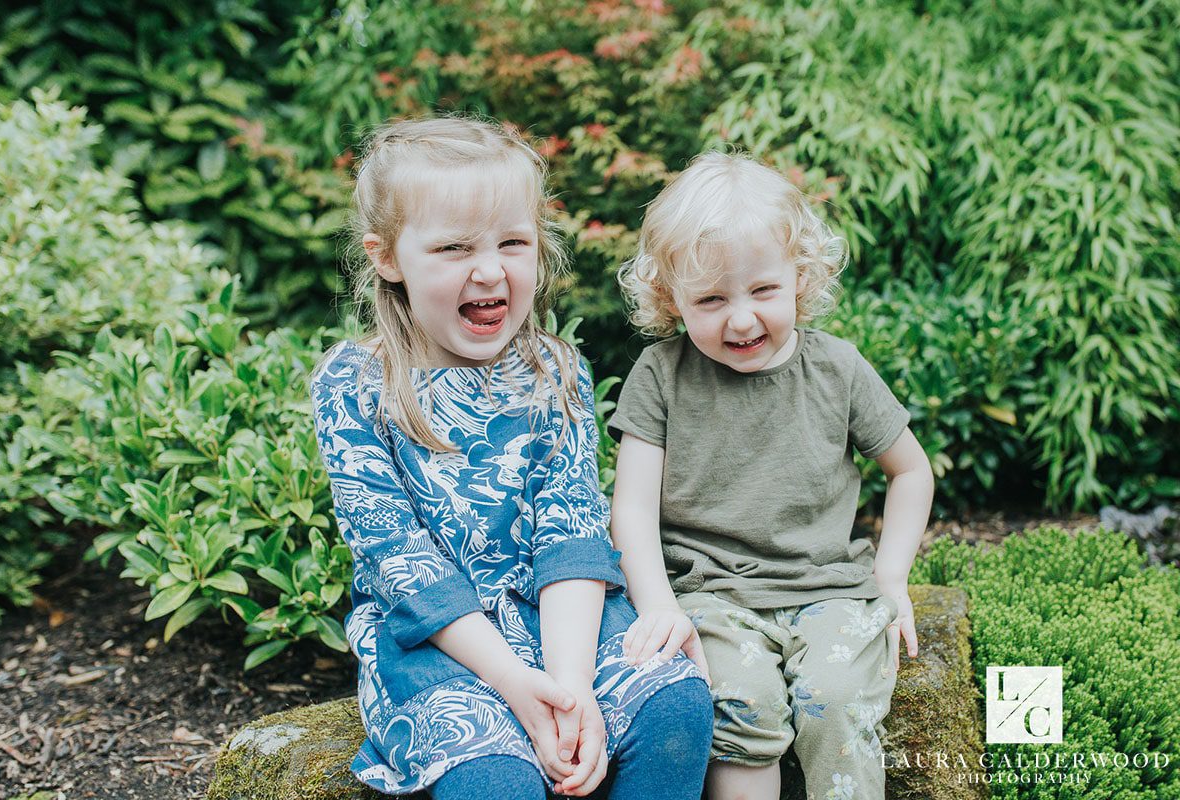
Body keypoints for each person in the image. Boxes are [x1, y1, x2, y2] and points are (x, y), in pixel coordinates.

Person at [308, 116, 712, 800]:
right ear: (386, 257)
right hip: (439, 644)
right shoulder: (353, 386)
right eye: (455, 247)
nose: (490, 270)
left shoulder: (555, 370)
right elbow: (402, 562)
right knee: (494, 778)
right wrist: (516, 687)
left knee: (675, 706)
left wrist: (571, 688)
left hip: (565, 625)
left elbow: (571, 531)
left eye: (513, 243)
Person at [608, 151, 934, 800]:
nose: (741, 318)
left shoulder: (837, 369)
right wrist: (660, 607)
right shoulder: (661, 375)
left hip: (830, 590)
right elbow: (633, 511)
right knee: (742, 703)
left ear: (800, 277)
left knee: (837, 699)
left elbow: (912, 471)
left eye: (763, 291)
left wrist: (891, 578)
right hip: (712, 598)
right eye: (711, 299)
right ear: (671, 298)